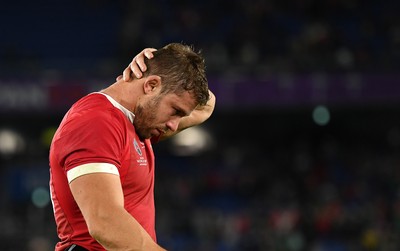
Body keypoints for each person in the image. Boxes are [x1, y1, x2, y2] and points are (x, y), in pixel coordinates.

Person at [49, 43, 216, 251]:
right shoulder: (95, 122)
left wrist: (159, 61)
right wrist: (158, 66)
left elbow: (207, 106)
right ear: (151, 85)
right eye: (175, 110)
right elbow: (105, 223)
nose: (174, 125)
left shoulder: (138, 122)